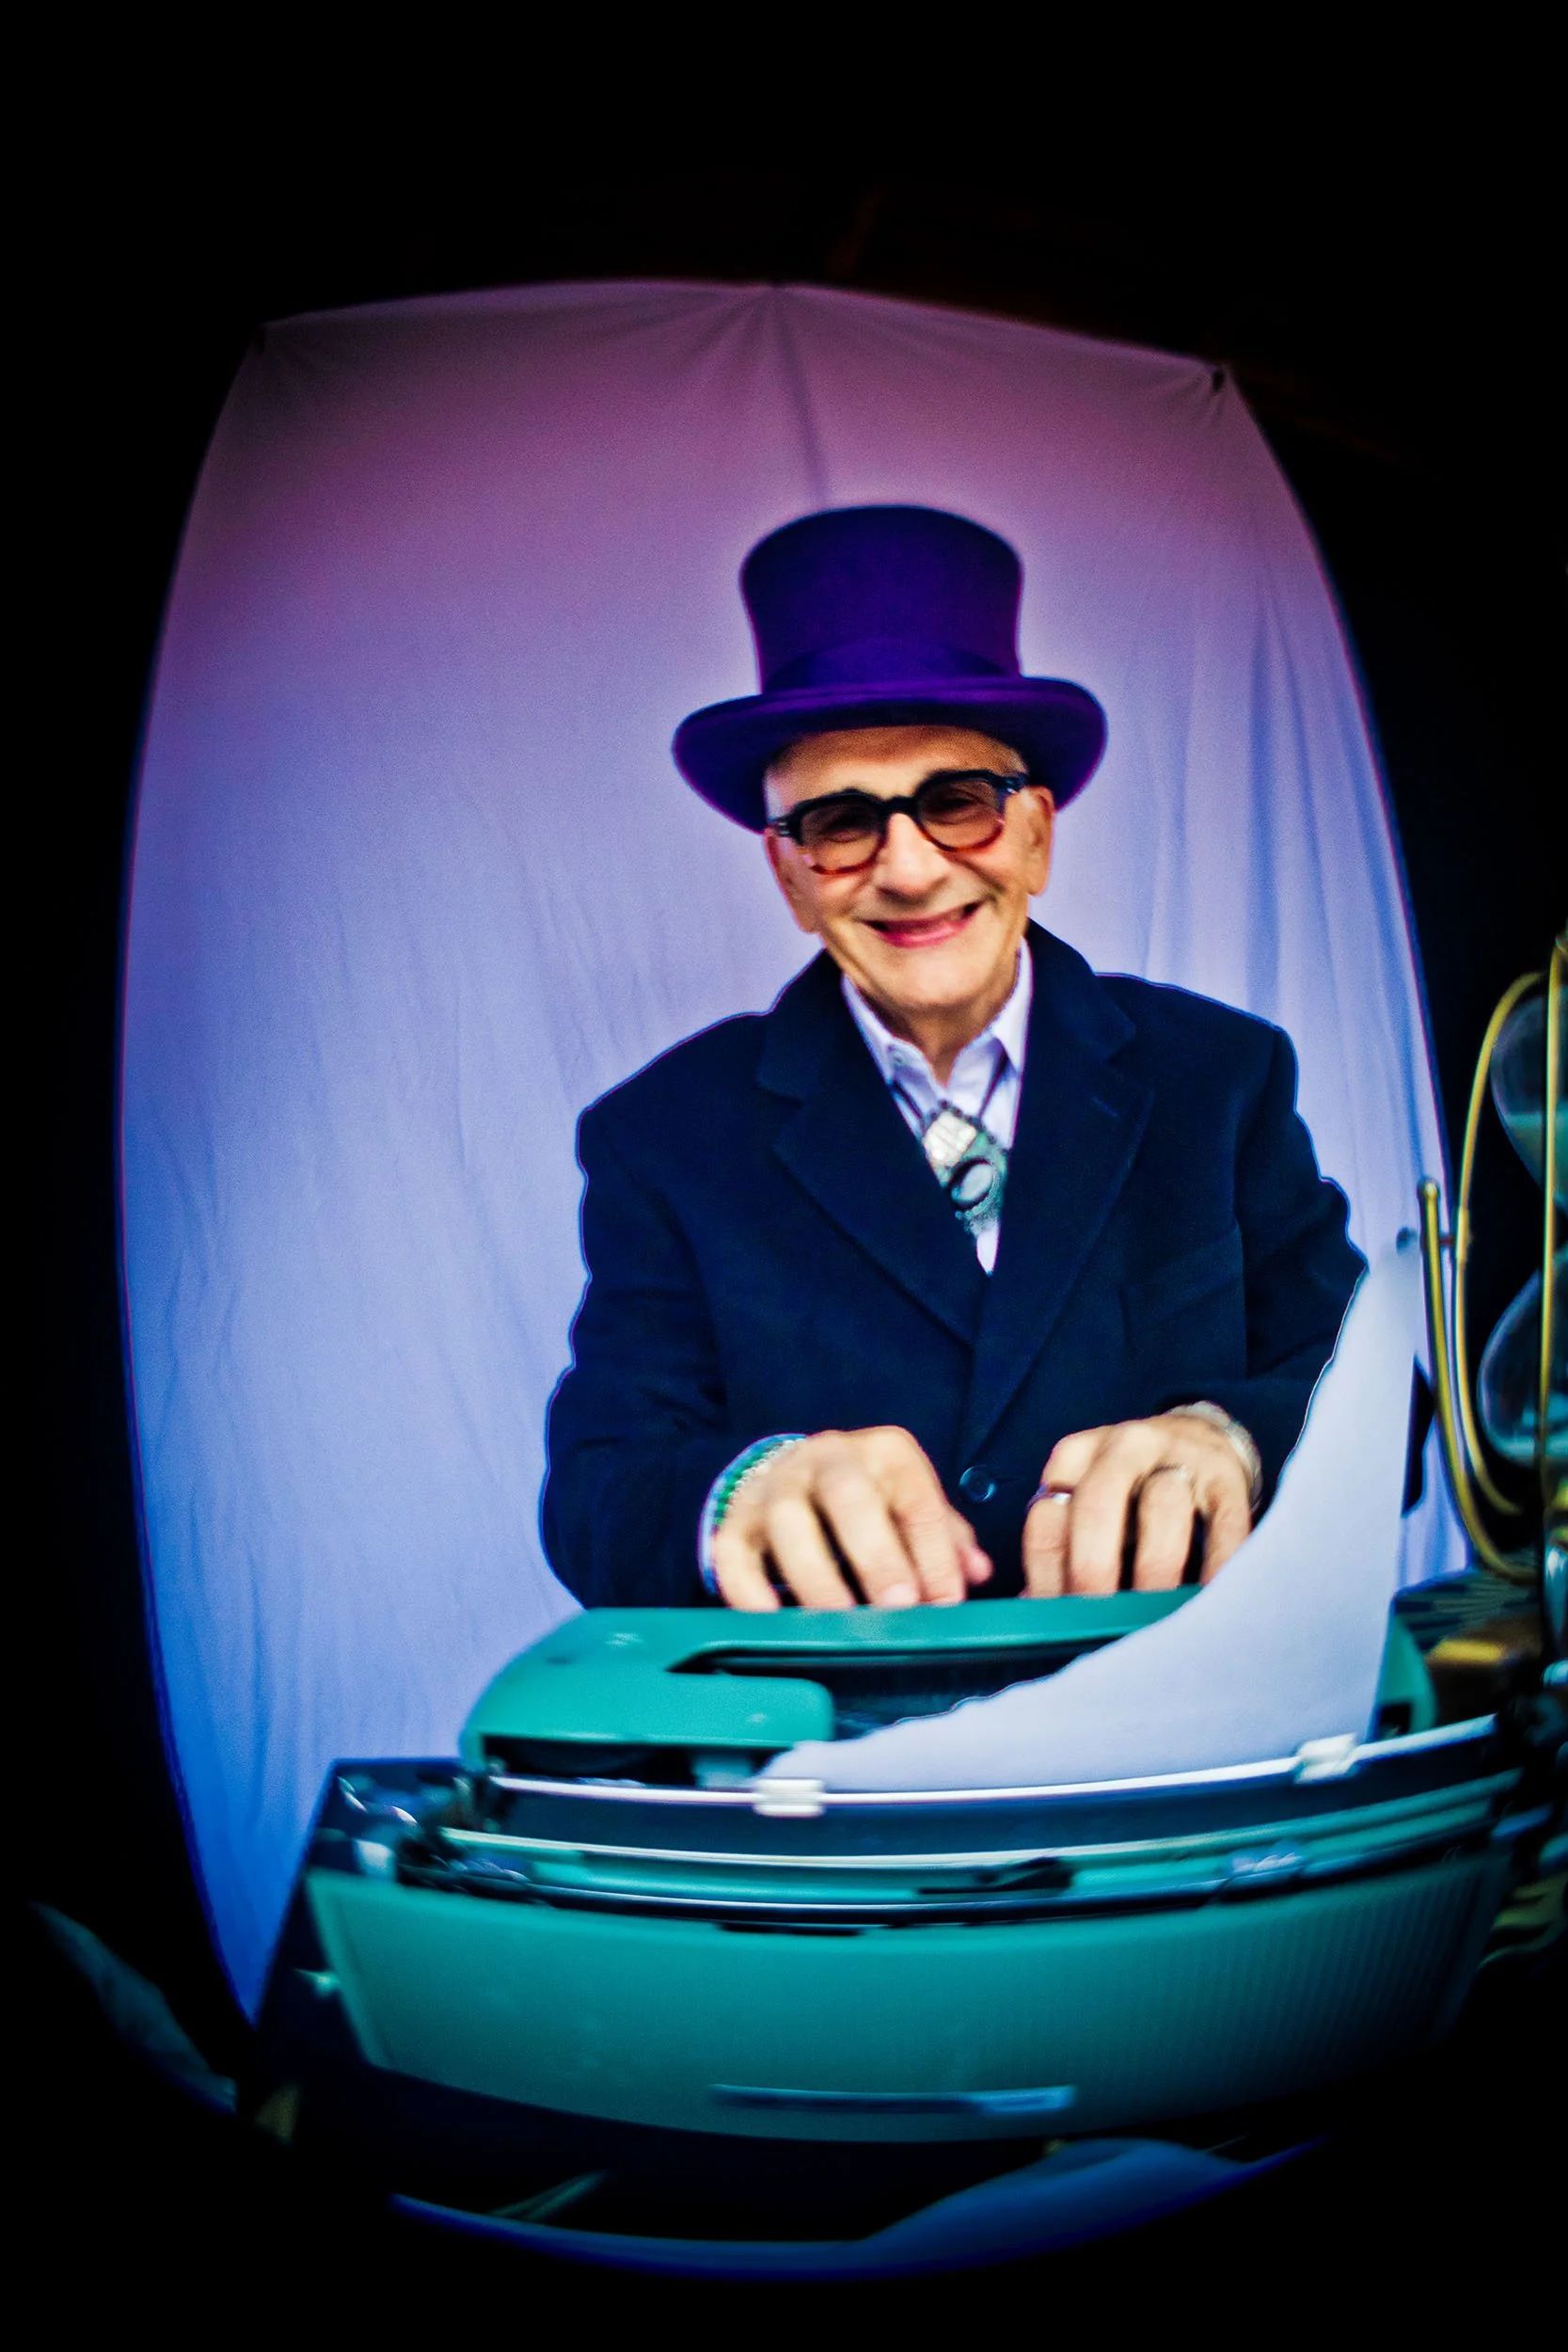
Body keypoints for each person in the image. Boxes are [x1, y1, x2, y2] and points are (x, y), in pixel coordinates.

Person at [542, 505, 1364, 1612]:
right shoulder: (659, 1137)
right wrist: (741, 1487)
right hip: (833, 1759)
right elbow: (595, 1494)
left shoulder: (1222, 1077)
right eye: (840, 820)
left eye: (956, 803)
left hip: (1175, 1710)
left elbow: (1372, 1392)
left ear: (1035, 833)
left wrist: (1233, 1435)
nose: (910, 868)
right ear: (788, 876)